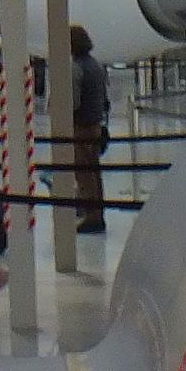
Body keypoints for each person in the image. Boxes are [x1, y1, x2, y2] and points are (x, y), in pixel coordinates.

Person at [70, 23, 109, 233]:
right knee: (95, 173)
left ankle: (91, 216)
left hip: (81, 127)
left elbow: (73, 102)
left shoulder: (77, 68)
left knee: (84, 173)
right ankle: (98, 213)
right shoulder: (96, 66)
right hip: (95, 125)